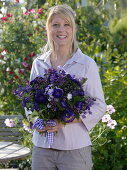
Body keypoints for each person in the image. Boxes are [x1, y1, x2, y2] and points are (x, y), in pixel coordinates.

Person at [28, 4, 107, 170]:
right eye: (55, 24)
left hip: (75, 148)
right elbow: (30, 102)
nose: (61, 30)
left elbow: (99, 105)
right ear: (48, 28)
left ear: (73, 28)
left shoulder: (86, 64)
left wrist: (65, 120)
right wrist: (37, 121)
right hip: (42, 149)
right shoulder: (39, 64)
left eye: (66, 24)